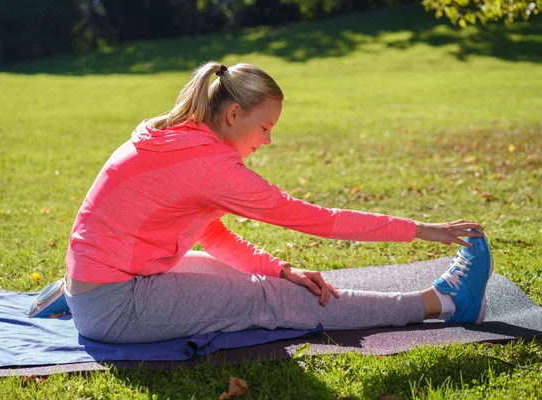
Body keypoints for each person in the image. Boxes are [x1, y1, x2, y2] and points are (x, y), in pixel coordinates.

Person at [64, 62, 493, 344]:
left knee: (269, 282)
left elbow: (208, 231)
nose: (268, 140)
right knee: (269, 300)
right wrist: (422, 230)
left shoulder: (179, 135)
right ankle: (446, 302)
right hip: (115, 305)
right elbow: (319, 221)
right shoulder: (210, 167)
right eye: (265, 126)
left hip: (97, 286)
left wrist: (280, 268)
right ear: (233, 115)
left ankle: (67, 295)